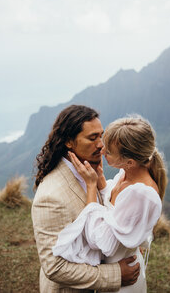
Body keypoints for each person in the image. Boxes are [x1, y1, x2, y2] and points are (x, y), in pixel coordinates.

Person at [52, 115, 168, 293]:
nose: (102, 150)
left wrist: (91, 186)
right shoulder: (127, 174)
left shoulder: (141, 194)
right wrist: (102, 182)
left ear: (129, 162)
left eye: (109, 152)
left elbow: (100, 242)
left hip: (123, 282)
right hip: (114, 270)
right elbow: (117, 209)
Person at [32, 105, 140, 293]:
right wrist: (115, 273)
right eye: (92, 138)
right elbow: (55, 267)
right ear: (69, 142)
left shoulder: (88, 172)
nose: (101, 145)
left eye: (101, 136)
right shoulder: (50, 197)